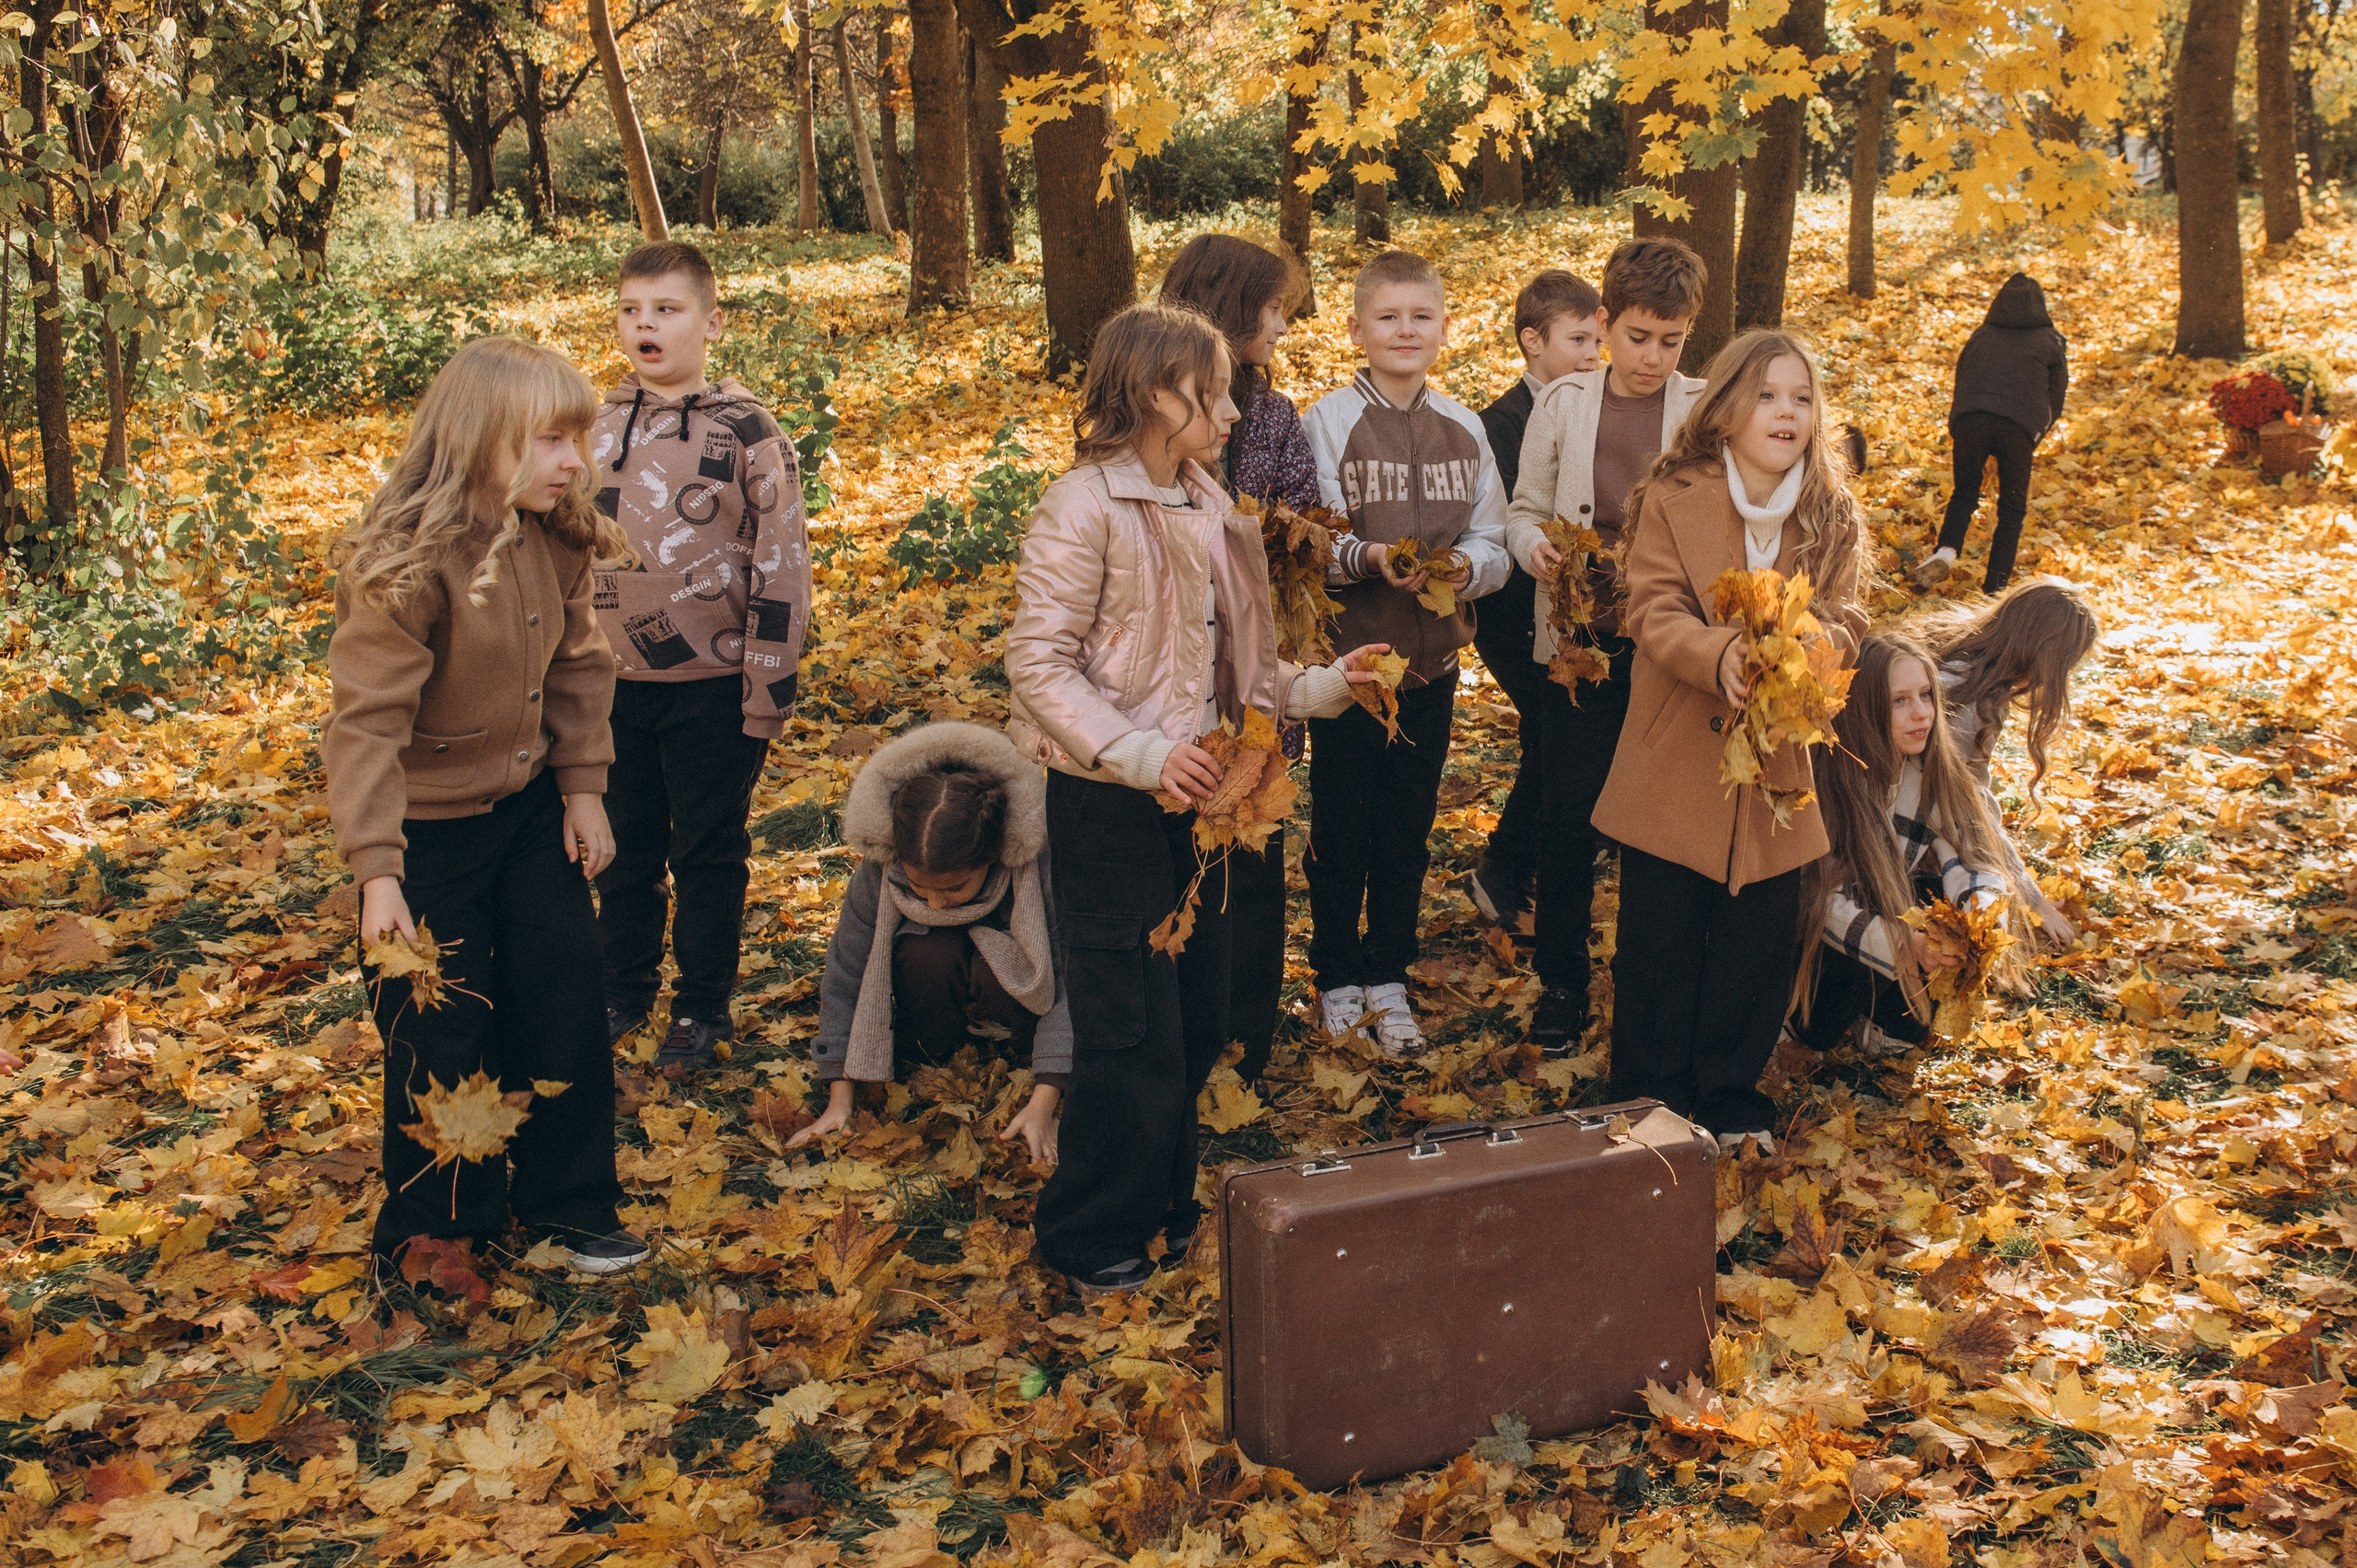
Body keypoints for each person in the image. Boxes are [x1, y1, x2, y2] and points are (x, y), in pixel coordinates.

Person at [1006, 302, 1390, 1294]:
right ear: (1148, 393)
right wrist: (1136, 752)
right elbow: (1038, 666)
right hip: (1109, 800)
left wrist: (1330, 686)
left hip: (1211, 798)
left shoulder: (1212, 505)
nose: (1230, 410)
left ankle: (1163, 1212)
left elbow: (1248, 670)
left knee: (1189, 1008)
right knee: (1126, 1020)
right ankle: (1091, 1233)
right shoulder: (1081, 505)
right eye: (1210, 393)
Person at [324, 336, 646, 1276]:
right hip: (425, 837)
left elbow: (584, 667)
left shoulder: (556, 537)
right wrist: (378, 872)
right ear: (478, 441)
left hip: (529, 814)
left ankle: (570, 1204)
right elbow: (365, 726)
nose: (572, 462)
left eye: (576, 440)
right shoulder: (405, 564)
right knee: (438, 1022)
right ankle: (442, 1226)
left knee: (563, 996)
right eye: (550, 441)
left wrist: (583, 788)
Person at [1589, 328, 1868, 1156]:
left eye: (1803, 398)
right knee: (1660, 938)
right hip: (1678, 751)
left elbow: (1849, 614)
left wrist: (1810, 649)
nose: (1787, 412)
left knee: (1755, 942)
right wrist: (1722, 655)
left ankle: (1730, 1092)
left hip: (1777, 759)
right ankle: (1649, 1094)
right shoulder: (1677, 493)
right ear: (1727, 408)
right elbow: (1652, 609)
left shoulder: (1827, 508)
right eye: (1769, 396)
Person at [589, 239, 812, 1074]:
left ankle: (702, 1004)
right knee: (624, 844)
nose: (645, 324)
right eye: (630, 310)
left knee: (707, 848)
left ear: (711, 323)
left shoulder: (749, 433)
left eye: (666, 309)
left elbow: (782, 563)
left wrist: (769, 686)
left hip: (714, 686)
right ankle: (623, 985)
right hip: (613, 684)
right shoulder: (596, 425)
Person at [1299, 250, 1511, 1054]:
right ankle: (1333, 974)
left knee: (1407, 828)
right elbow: (1315, 538)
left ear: (1444, 329)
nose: (1404, 330)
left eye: (1421, 316)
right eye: (1387, 317)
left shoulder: (1465, 427)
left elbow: (1493, 537)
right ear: (1356, 328)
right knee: (1342, 825)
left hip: (1431, 668)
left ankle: (1388, 971)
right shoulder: (1328, 421)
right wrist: (1370, 557)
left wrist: (1468, 569)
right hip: (1353, 670)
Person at [1501, 238, 1710, 1055]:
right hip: (1578, 645)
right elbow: (1522, 510)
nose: (1652, 358)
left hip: (1667, 650)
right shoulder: (1562, 405)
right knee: (1569, 817)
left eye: (1671, 341)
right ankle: (1562, 982)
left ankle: (1651, 978)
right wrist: (1534, 550)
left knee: (1657, 823)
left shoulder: (1703, 411)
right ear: (1604, 324)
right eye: (1636, 337)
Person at [1158, 233, 1317, 1083]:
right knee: (1183, 851)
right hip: (1175, 680)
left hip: (1258, 665)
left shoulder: (1277, 415)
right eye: (1271, 307)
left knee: (1255, 845)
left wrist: (1281, 531)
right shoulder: (1148, 418)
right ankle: (1184, 1027)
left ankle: (1247, 1038)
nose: (1282, 325)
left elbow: (1310, 517)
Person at [792, 722, 1068, 1163]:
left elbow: (1070, 983)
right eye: (920, 889)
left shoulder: (1037, 864)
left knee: (987, 956)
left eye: (954, 889)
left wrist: (1043, 1106)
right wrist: (839, 1100)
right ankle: (931, 1053)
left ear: (994, 856)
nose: (935, 905)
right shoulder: (880, 869)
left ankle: (1013, 1045)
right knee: (926, 948)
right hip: (931, 994)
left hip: (1019, 1005)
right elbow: (848, 974)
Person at [1462, 269, 1604, 936]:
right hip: (1515, 615)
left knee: (1560, 735)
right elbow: (1513, 520)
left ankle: (1538, 858)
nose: (1591, 354)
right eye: (1578, 338)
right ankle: (1504, 867)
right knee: (1553, 734)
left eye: (1597, 339)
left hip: (1576, 614)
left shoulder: (1596, 408)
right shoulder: (1501, 424)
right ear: (1531, 341)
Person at [1791, 634, 2014, 1057]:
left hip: (1893, 924)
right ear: (1866, 707)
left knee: (1936, 898)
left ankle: (1886, 1021)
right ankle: (1815, 1019)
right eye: (1899, 701)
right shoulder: (1826, 779)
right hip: (1822, 947)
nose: (1922, 714)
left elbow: (1973, 859)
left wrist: (1981, 916)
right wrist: (1902, 945)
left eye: (1926, 696)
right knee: (1816, 1032)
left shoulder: (1928, 774)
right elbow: (1818, 898)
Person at [1922, 578, 2100, 947]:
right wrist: (2032, 900)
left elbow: (1972, 793)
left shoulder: (1968, 667)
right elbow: (1967, 809)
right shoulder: (1965, 698)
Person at [1912, 272, 2069, 594]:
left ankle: (1946, 552)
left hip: (1972, 419)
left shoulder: (1981, 335)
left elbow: (1963, 376)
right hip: (2018, 428)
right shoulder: (2051, 341)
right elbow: (2057, 395)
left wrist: (1960, 422)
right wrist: (2034, 434)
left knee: (1965, 493)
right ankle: (1993, 590)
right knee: (2012, 511)